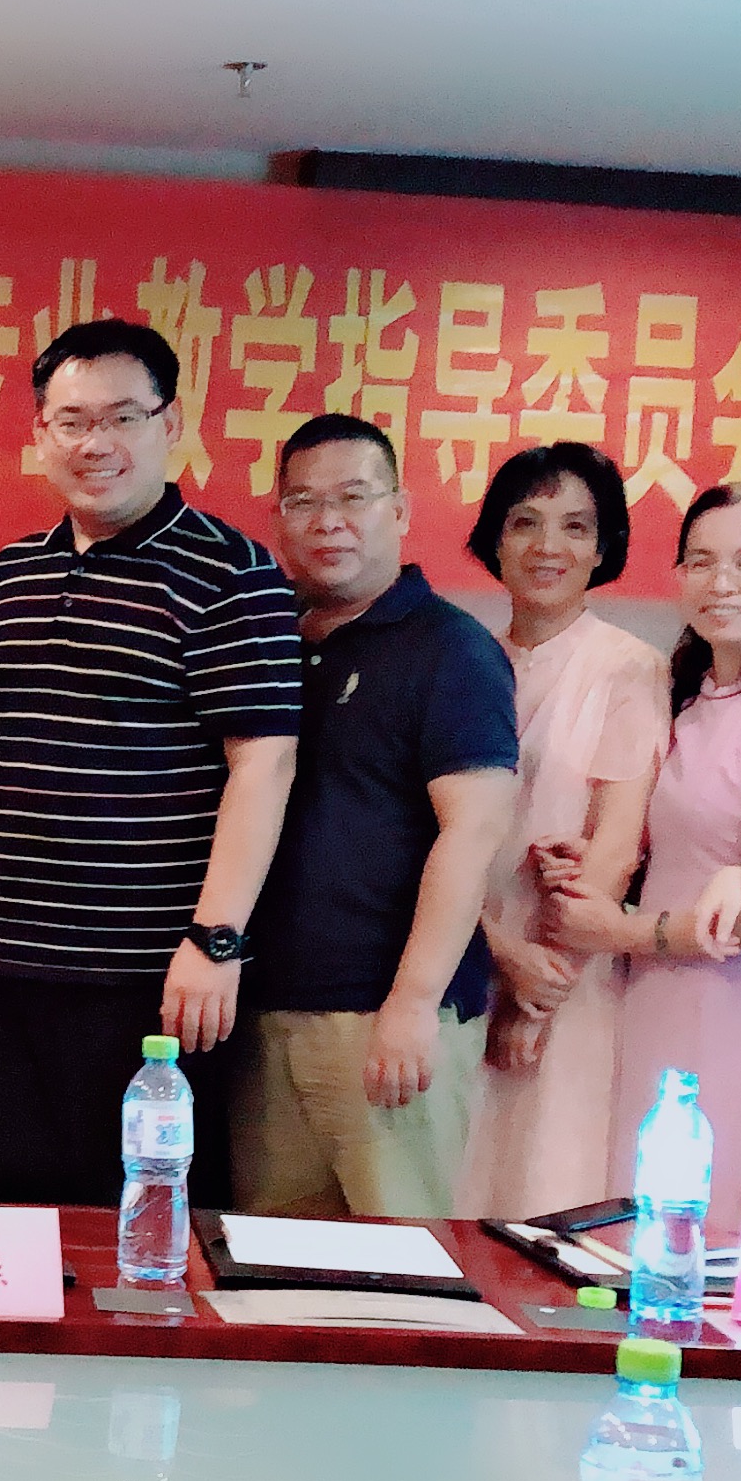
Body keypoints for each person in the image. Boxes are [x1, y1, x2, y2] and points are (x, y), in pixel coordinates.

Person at [0, 319, 302, 1204]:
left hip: (149, 980)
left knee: (135, 1226)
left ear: (171, 423)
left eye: (122, 417)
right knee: (6, 1221)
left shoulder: (234, 575)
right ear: (40, 434)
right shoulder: (7, 577)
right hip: (2, 968)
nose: (95, 443)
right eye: (72, 421)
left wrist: (215, 941)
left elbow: (264, 766)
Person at [547, 481, 741, 1243]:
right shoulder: (688, 697)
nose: (723, 583)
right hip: (660, 1002)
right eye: (703, 561)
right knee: (640, 1227)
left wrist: (619, 931)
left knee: (718, 1237)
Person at [234, 415, 518, 1219]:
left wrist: (414, 1002)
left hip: (384, 1020)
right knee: (267, 1264)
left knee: (400, 1265)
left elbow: (473, 832)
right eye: (304, 502)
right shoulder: (265, 642)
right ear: (277, 519)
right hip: (265, 1011)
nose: (329, 522)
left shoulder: (451, 649)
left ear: (400, 510)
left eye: (353, 498)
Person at [452, 440, 667, 1220]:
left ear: (604, 548)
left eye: (576, 527)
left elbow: (616, 843)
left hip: (565, 973)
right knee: (451, 1192)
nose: (549, 546)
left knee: (546, 1192)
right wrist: (495, 960)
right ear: (495, 538)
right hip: (459, 958)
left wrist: (535, 993)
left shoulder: (626, 666)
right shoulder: (460, 658)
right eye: (526, 522)